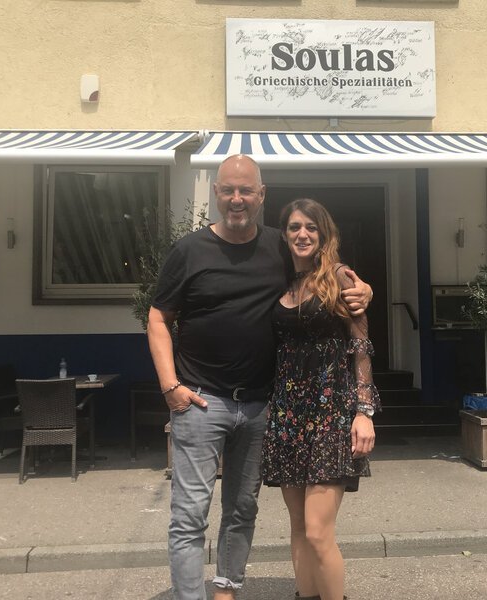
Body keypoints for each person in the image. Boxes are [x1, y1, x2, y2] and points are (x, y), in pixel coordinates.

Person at [146, 155, 372, 600]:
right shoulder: (189, 250)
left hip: (261, 406)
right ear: (216, 193)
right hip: (202, 401)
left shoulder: (280, 246)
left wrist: (362, 288)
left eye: (246, 190)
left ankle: (226, 590)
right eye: (228, 190)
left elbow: (329, 274)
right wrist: (171, 386)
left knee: (243, 509)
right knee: (190, 516)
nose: (237, 199)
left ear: (261, 195)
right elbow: (157, 317)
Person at [261, 198, 380, 600]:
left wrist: (364, 412)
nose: (302, 234)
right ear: (284, 234)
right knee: (298, 528)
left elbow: (360, 347)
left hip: (332, 413)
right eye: (294, 227)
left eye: (311, 227)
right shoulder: (281, 282)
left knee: (317, 530)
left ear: (324, 234)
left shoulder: (340, 278)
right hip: (287, 414)